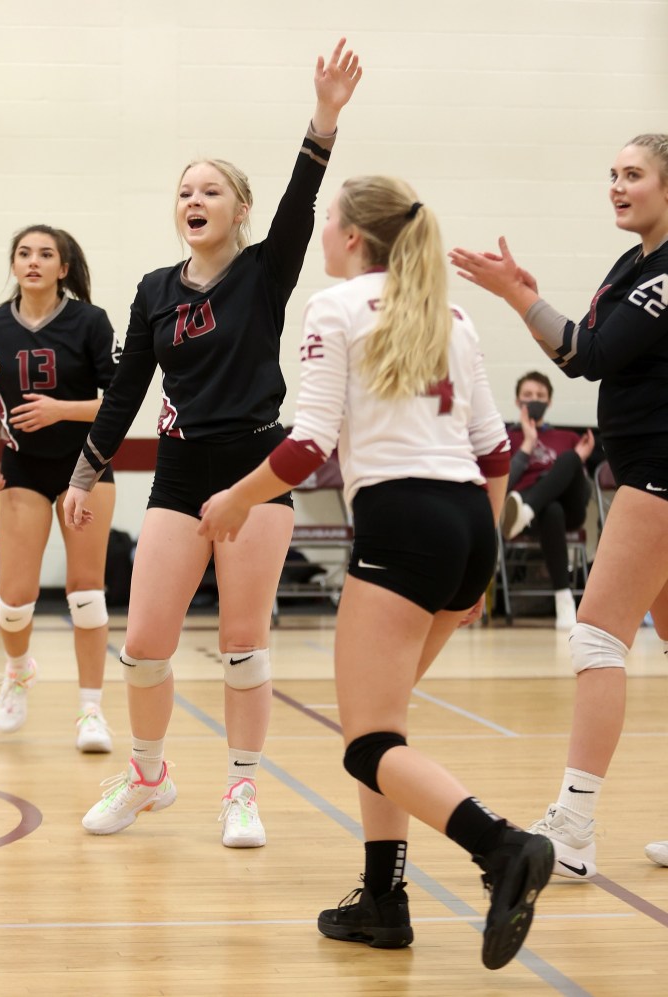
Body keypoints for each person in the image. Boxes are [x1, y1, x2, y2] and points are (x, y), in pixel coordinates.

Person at [197, 175, 553, 970]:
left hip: (403, 526)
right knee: (383, 727)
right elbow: (496, 451)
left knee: (366, 744)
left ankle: (502, 846)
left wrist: (235, 499)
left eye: (329, 219)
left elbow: (307, 444)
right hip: (469, 525)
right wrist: (484, 568)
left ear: (354, 236)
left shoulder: (335, 306)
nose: (323, 231)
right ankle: (383, 900)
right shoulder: (451, 314)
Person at [62, 39, 362, 849]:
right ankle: (148, 775)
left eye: (211, 190)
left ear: (240, 208)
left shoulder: (266, 271)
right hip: (179, 470)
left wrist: (324, 115)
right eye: (185, 191)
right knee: (143, 645)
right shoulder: (154, 291)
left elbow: (302, 196)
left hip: (256, 466)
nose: (193, 200)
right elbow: (126, 389)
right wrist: (85, 473)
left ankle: (241, 787)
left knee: (241, 642)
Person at [449, 132, 668, 879]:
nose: (617, 186)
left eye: (633, 175)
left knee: (598, 640)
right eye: (613, 173)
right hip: (639, 466)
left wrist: (515, 295)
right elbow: (579, 351)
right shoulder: (632, 264)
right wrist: (528, 299)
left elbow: (592, 355)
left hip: (660, 472)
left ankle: (573, 829)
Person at [0, 224, 119, 751]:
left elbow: (117, 401)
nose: (33, 261)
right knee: (14, 601)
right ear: (13, 264)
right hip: (22, 468)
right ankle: (18, 671)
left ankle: (91, 711)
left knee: (87, 595)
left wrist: (61, 410)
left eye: (45, 254)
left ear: (64, 267)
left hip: (86, 467)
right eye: (23, 253)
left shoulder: (90, 321)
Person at [502, 370, 595, 629]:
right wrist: (527, 444)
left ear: (549, 402)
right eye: (528, 394)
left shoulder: (568, 438)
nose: (534, 399)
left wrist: (579, 461)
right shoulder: (507, 438)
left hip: (569, 509)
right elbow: (503, 486)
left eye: (540, 395)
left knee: (569, 458)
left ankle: (527, 510)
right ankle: (564, 601)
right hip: (532, 514)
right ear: (517, 401)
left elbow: (585, 492)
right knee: (551, 509)